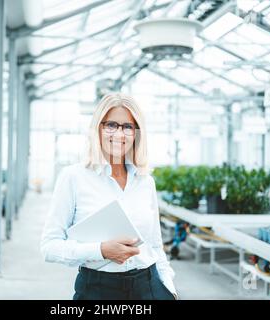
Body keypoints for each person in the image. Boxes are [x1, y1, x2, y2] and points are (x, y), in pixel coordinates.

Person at [40, 92, 177, 300]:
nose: (120, 134)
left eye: (128, 127)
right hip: (98, 289)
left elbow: (155, 245)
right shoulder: (74, 177)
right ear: (98, 128)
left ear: (137, 133)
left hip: (149, 286)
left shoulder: (145, 181)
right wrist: (101, 250)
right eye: (111, 125)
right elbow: (49, 247)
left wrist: (170, 289)